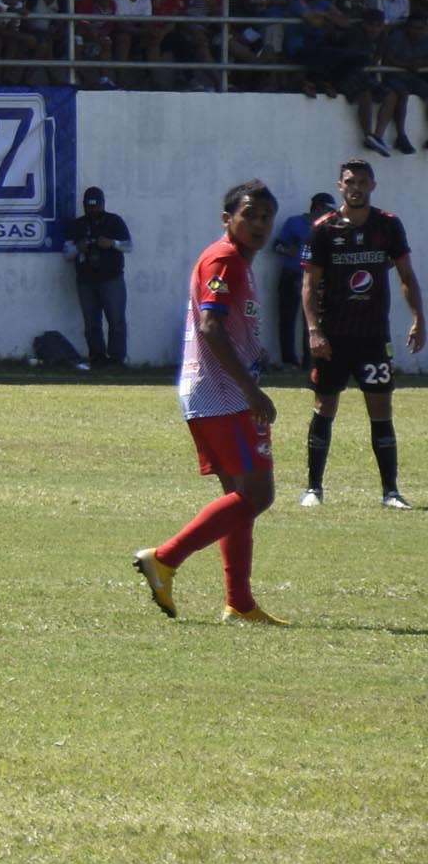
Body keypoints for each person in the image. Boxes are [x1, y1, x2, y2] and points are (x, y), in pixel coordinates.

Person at [134, 181, 285, 623]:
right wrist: (251, 389)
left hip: (214, 392)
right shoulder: (224, 258)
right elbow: (211, 327)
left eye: (265, 217)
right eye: (249, 215)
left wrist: (256, 355)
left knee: (238, 500)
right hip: (224, 396)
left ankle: (239, 602)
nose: (259, 224)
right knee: (258, 494)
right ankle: (164, 559)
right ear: (227, 219)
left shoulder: (240, 261)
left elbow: (230, 326)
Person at [299, 158, 422, 509]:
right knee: (324, 405)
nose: (356, 188)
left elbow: (406, 276)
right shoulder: (323, 228)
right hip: (333, 338)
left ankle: (390, 492)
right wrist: (313, 330)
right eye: (350, 182)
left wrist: (419, 318)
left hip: (371, 336)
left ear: (372, 186)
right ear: (340, 186)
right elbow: (309, 285)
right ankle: (313, 488)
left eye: (363, 182)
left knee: (381, 408)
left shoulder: (388, 226)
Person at [62, 186, 132, 370]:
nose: (92, 210)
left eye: (95, 206)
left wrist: (111, 243)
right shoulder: (77, 225)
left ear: (102, 204)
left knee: (116, 320)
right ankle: (97, 359)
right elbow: (67, 253)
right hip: (86, 281)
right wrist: (79, 248)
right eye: (88, 207)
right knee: (91, 323)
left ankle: (116, 360)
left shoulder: (114, 222)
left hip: (111, 279)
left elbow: (128, 245)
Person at [269, 191, 325, 368]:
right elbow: (277, 245)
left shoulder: (326, 227)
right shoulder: (295, 223)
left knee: (311, 319)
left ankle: (309, 360)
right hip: (292, 274)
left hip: (314, 278)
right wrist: (288, 251)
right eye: (326, 210)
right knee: (288, 317)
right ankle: (289, 360)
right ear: (317, 208)